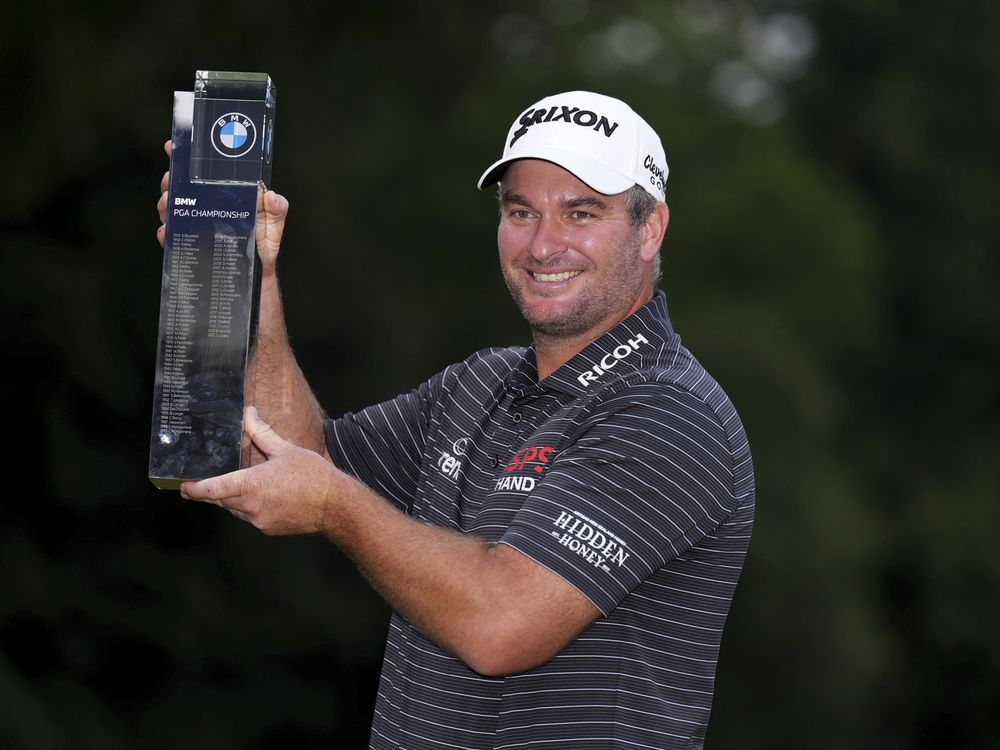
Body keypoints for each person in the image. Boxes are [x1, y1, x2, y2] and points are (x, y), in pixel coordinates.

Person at [156, 90, 755, 749]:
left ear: (650, 229)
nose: (543, 243)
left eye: (581, 213)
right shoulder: (480, 383)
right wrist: (243, 272)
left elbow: (501, 625)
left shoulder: (670, 414)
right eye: (520, 211)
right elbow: (289, 456)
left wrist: (335, 506)